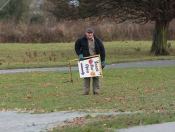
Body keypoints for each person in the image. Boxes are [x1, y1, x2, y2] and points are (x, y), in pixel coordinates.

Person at [75, 28, 106, 95]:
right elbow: (77, 47)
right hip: (86, 60)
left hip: (95, 60)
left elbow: (102, 50)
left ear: (93, 33)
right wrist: (80, 54)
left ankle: (96, 91)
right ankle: (86, 91)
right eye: (88, 33)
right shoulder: (81, 40)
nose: (90, 34)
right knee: (86, 76)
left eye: (91, 33)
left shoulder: (98, 41)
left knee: (96, 76)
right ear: (86, 33)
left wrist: (103, 60)